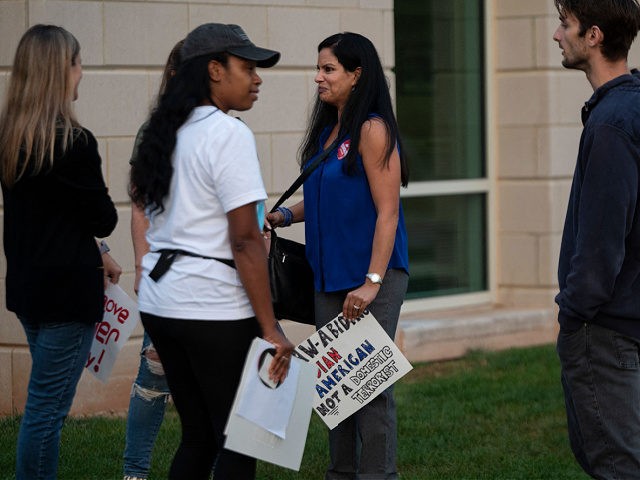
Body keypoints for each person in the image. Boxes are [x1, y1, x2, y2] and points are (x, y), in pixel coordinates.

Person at [129, 23, 294, 480]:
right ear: (215, 71)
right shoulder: (228, 134)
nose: (257, 79)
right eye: (248, 68)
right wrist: (271, 328)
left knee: (199, 435)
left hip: (162, 305)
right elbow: (244, 241)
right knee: (240, 440)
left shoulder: (166, 130)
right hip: (212, 308)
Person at [267, 32, 409, 480]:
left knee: (368, 387)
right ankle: (340, 474)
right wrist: (286, 214)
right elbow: (325, 193)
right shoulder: (330, 130)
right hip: (326, 278)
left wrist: (372, 281)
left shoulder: (373, 129)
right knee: (335, 387)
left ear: (356, 74)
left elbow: (388, 211)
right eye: (319, 68)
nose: (318, 78)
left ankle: (377, 476)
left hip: (370, 278)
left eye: (328, 69)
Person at [0, 24, 120, 479]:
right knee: (45, 413)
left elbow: (56, 217)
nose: (82, 73)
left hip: (29, 290)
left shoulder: (11, 138)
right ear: (59, 71)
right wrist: (103, 237)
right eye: (77, 63)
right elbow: (102, 217)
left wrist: (100, 249)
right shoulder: (73, 142)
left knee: (41, 408)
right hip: (67, 297)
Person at [552, 0, 640, 478]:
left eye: (565, 24)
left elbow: (602, 240)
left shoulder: (611, 124)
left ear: (594, 36)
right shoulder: (629, 108)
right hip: (626, 319)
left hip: (606, 328)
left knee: (615, 464)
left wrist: (574, 312)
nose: (556, 35)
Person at [123, 39, 183, 480]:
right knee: (154, 376)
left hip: (218, 283)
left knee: (211, 389)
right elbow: (140, 204)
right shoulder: (156, 134)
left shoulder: (227, 128)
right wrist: (143, 265)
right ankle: (135, 472)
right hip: (168, 277)